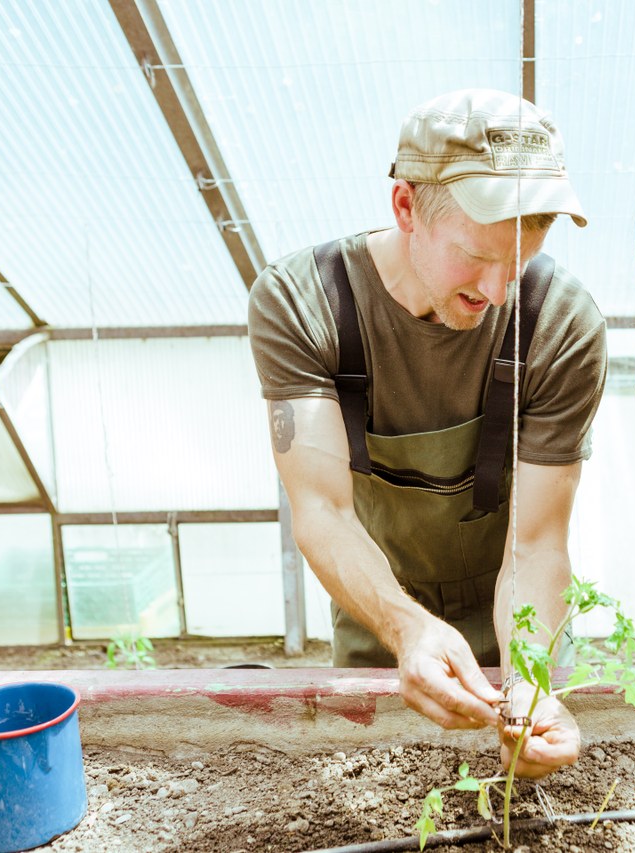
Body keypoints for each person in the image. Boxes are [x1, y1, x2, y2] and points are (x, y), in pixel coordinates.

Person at [247, 89, 607, 777]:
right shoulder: (303, 304)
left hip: (513, 613)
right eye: (476, 256)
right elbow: (321, 510)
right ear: (406, 207)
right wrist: (407, 628)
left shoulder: (562, 323)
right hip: (376, 606)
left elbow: (534, 542)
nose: (501, 290)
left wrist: (528, 679)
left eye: (523, 259)